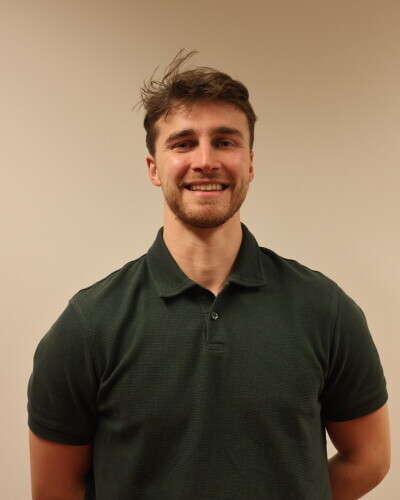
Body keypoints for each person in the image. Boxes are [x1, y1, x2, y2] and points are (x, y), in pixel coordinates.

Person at [28, 51, 390, 500]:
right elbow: (55, 489)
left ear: (250, 164)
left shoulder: (326, 310)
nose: (205, 160)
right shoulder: (88, 326)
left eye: (225, 142)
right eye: (183, 143)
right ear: (154, 168)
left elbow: (369, 458)